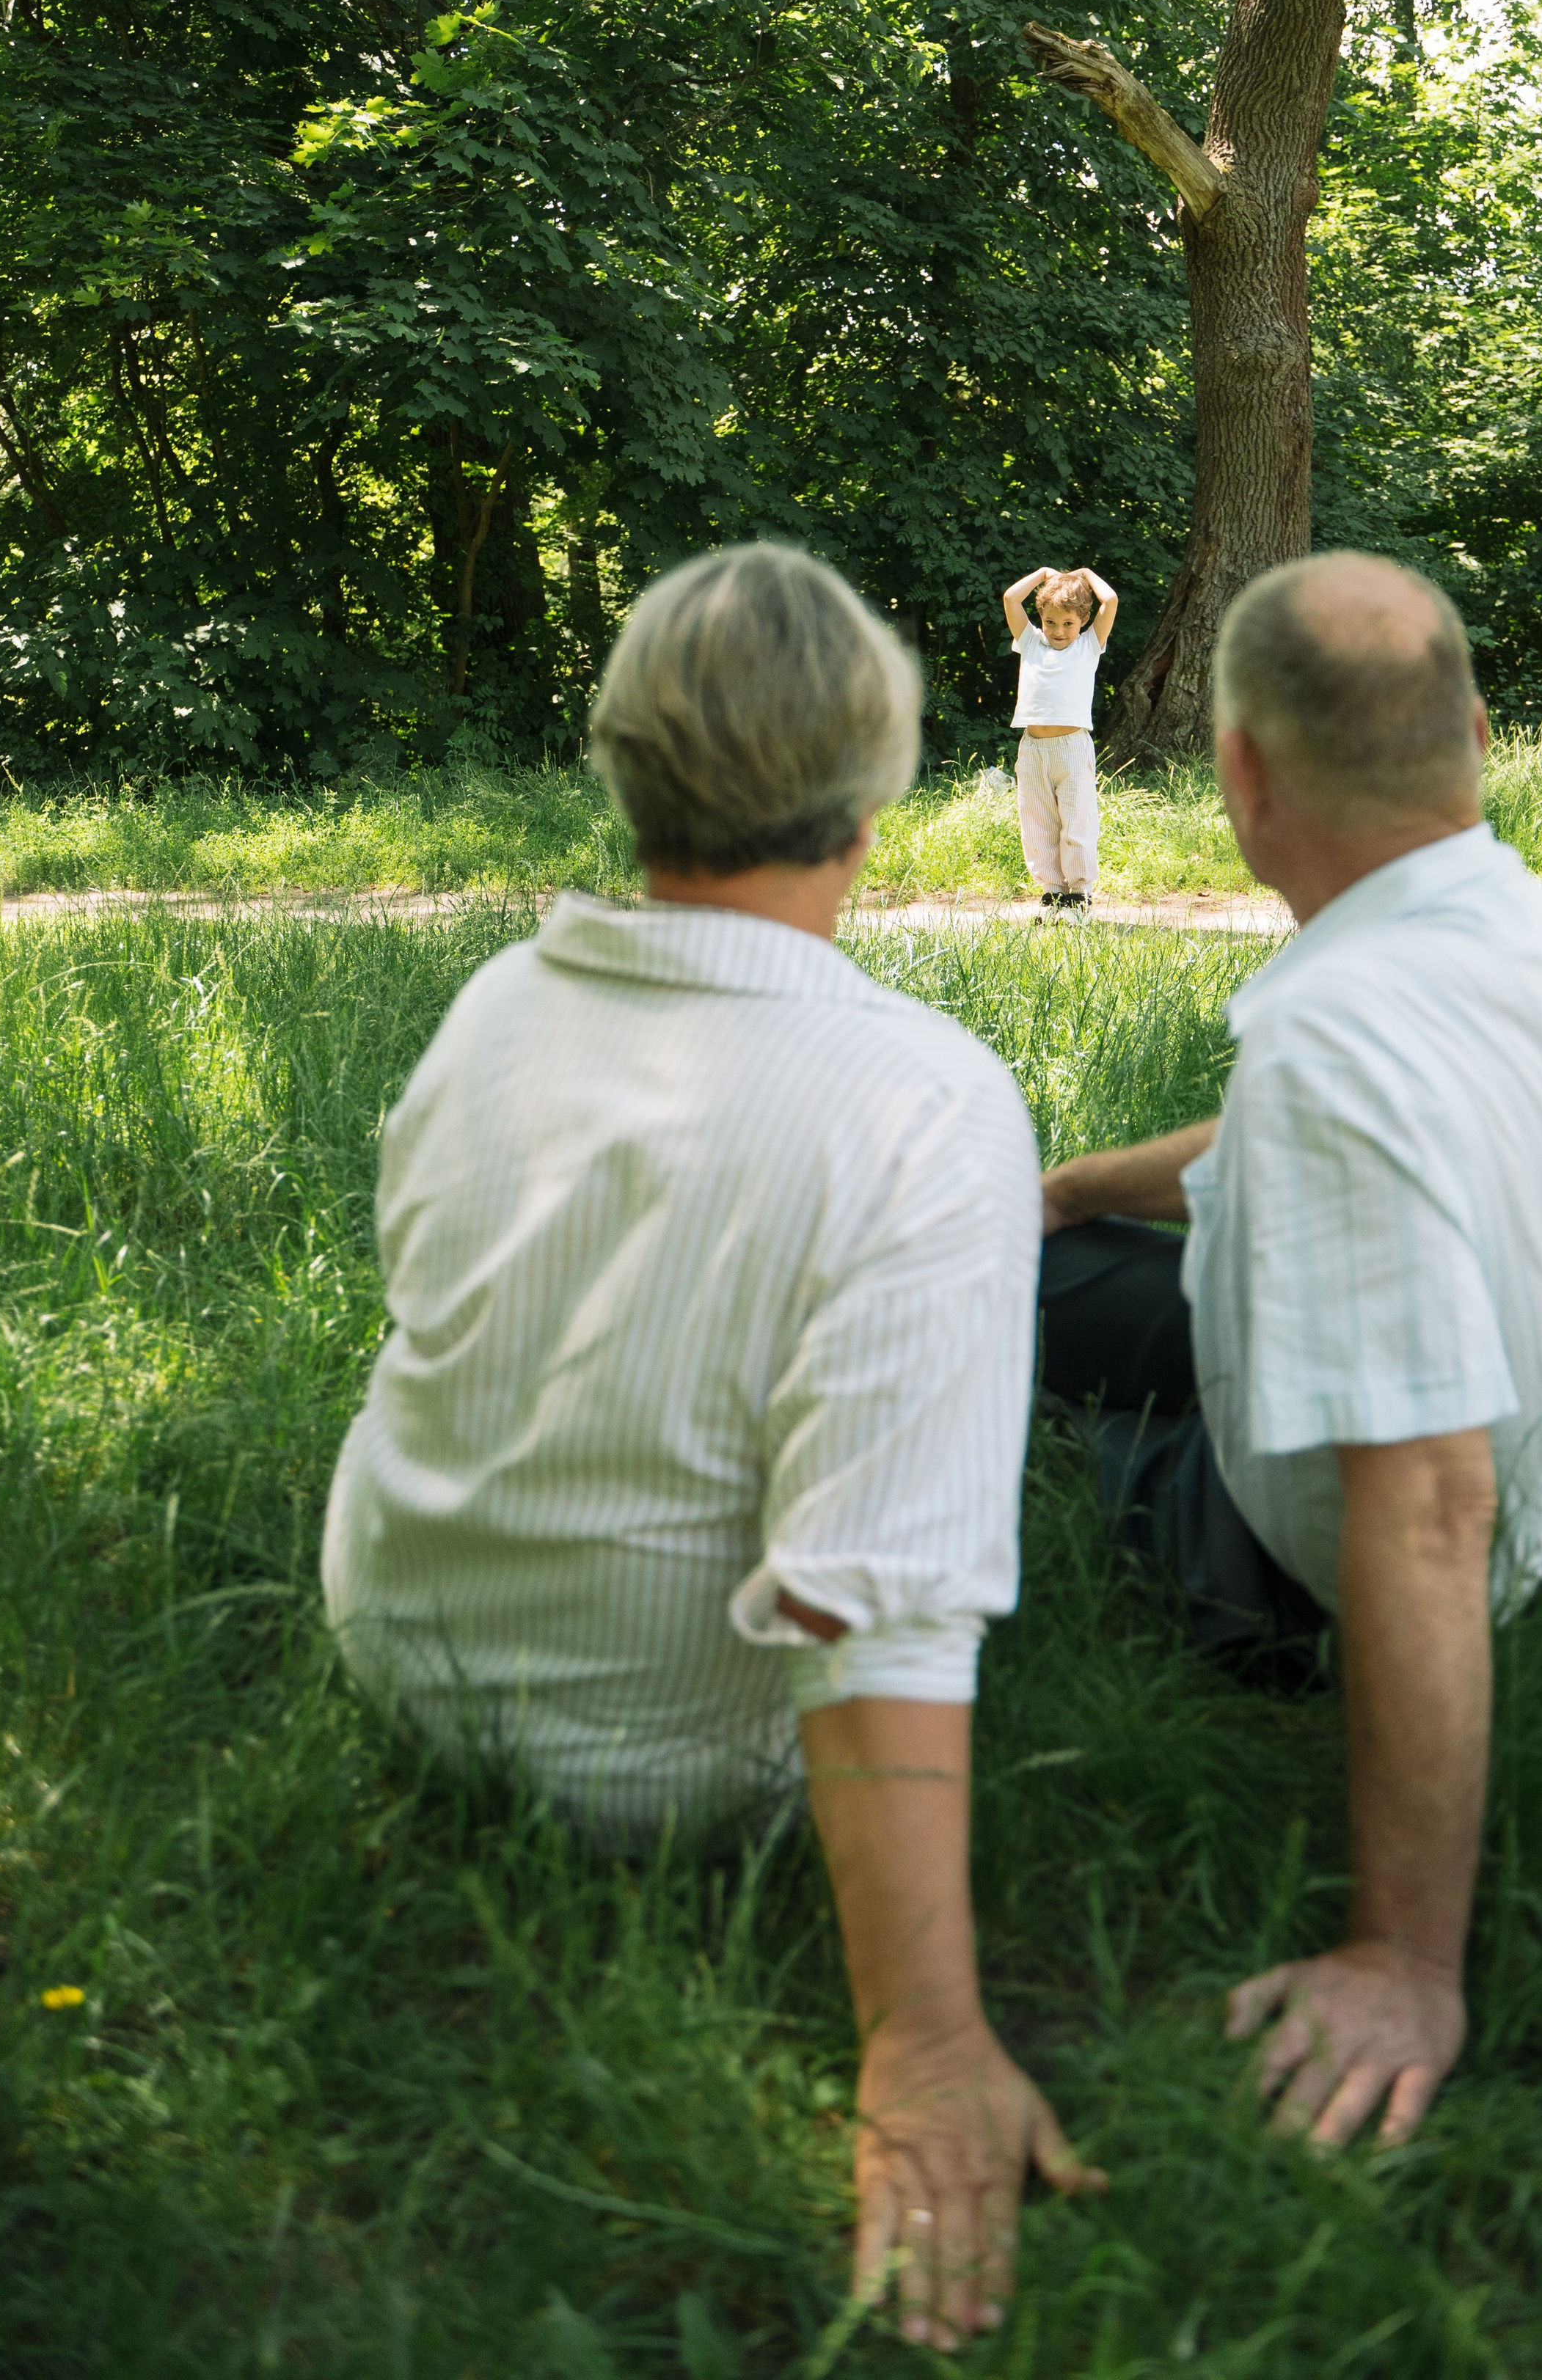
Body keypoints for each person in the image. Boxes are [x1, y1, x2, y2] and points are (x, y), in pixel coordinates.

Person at [322, 543, 1099, 2350]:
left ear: (617, 756)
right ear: (880, 785)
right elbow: (882, 1606)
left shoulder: (489, 1010)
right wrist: (917, 2036)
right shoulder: (921, 1099)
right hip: (683, 1760)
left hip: (401, 1650)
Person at [1039, 550, 1542, 2150]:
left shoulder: (1332, 1037)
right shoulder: (1519, 925)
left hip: (1312, 1572)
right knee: (1024, 1264)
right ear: (1470, 731)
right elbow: (1281, 1145)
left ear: (1238, 769)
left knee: (965, 1387)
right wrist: (1061, 1192)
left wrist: (1405, 1960)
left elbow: (1422, 1508)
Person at [1001, 562, 1119, 912]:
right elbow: (1010, 598)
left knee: (1077, 822)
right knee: (1037, 823)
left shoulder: (1089, 645)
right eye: (1051, 622)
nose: (1059, 630)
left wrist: (1082, 574)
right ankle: (1053, 893)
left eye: (1068, 623)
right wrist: (1042, 574)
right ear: (1041, 619)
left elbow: (1109, 600)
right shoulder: (1031, 643)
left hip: (1071, 748)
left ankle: (1079, 895)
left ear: (1082, 620)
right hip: (1033, 749)